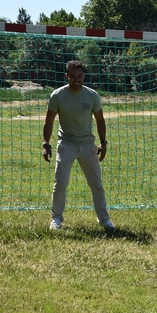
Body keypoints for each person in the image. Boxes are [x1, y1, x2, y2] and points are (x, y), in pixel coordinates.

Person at [42, 60, 114, 231]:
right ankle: (56, 219)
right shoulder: (57, 95)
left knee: (96, 184)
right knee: (60, 183)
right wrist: (46, 143)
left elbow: (100, 120)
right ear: (67, 76)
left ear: (84, 76)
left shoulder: (92, 95)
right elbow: (49, 121)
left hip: (88, 145)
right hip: (66, 144)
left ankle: (104, 219)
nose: (76, 79)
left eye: (80, 76)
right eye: (73, 76)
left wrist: (103, 143)